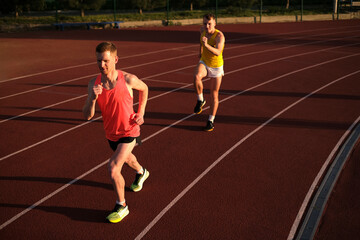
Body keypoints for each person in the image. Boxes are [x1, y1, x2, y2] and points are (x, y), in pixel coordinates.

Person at [83, 42, 149, 223]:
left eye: (105, 61)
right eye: (98, 61)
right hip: (111, 134)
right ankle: (141, 172)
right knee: (128, 159)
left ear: (115, 60)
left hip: (130, 130)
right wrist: (92, 98)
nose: (101, 65)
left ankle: (122, 206)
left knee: (113, 167)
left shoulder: (128, 79)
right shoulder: (93, 84)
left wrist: (141, 112)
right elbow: (87, 116)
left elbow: (144, 89)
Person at [193, 13, 225, 131]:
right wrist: (200, 51)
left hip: (216, 66)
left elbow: (217, 52)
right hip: (205, 62)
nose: (207, 26)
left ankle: (210, 120)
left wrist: (206, 45)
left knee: (214, 94)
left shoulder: (219, 36)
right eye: (205, 23)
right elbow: (201, 41)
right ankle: (200, 100)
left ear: (215, 23)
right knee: (196, 76)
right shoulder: (202, 30)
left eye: (209, 24)